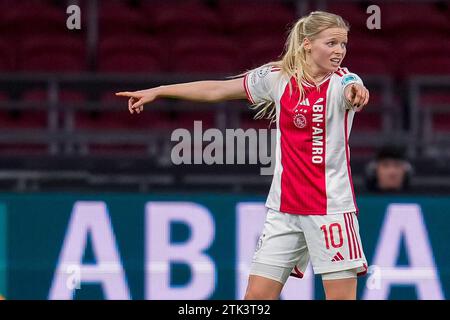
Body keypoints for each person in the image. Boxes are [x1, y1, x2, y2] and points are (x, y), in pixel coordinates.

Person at [116, 11, 370, 300]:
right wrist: (160, 91)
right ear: (307, 44)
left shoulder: (341, 82)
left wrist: (356, 91)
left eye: (343, 44)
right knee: (255, 298)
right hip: (284, 210)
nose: (339, 51)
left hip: (331, 210)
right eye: (332, 43)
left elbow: (353, 88)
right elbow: (218, 89)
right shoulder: (277, 78)